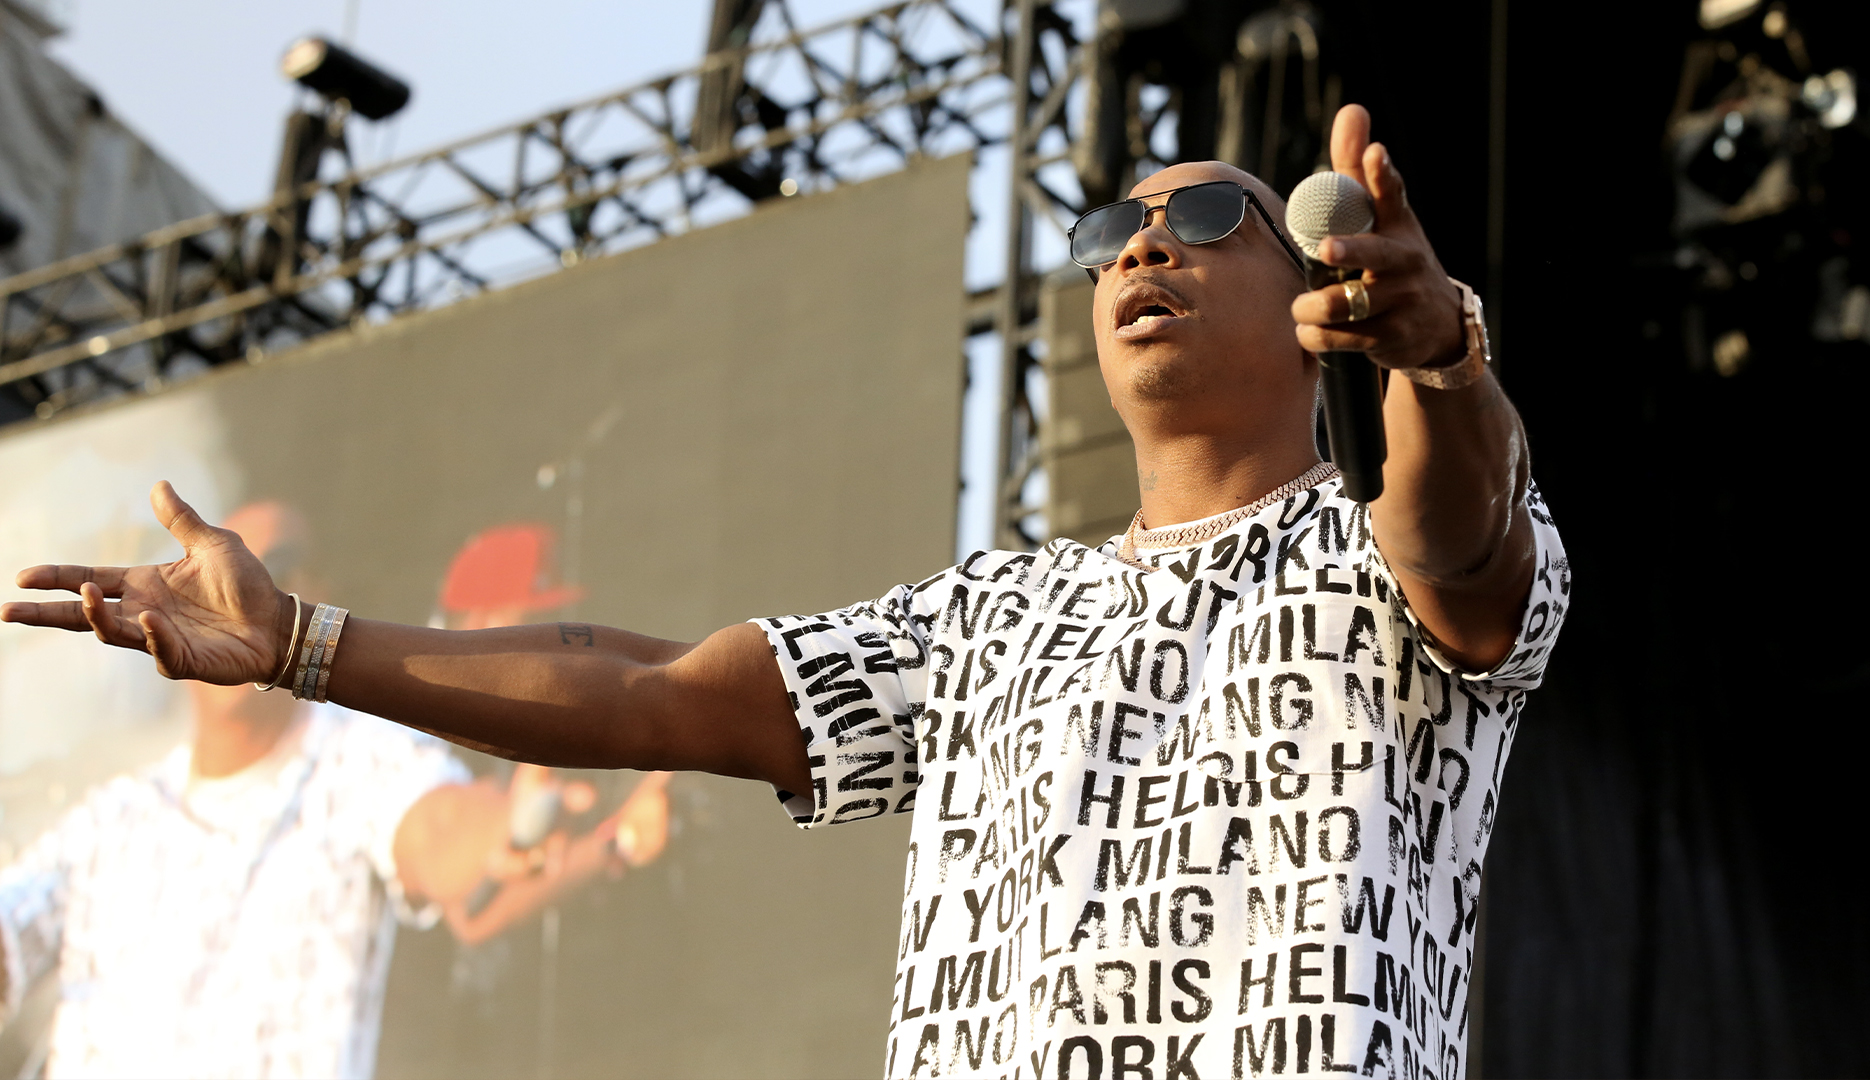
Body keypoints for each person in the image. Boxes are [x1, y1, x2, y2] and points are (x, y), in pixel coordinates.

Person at [2, 105, 1567, 1078]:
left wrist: (1440, 359)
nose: (1146, 243)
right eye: (1113, 230)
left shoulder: (1371, 563)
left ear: (1313, 301)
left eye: (1208, 216)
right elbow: (657, 692)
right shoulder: (991, 621)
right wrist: (296, 646)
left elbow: (1461, 538)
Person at [0, 502, 671, 1080]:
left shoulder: (359, 761)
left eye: (259, 577)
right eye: (204, 585)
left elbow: (443, 836)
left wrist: (519, 832)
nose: (225, 605)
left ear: (305, 594)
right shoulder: (110, 823)